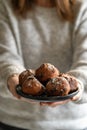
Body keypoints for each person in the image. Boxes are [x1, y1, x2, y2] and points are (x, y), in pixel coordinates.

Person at [0, 0, 87, 130]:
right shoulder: (6, 5)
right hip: (16, 120)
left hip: (70, 122)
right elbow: (5, 54)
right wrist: (12, 75)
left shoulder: (81, 7)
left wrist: (77, 85)